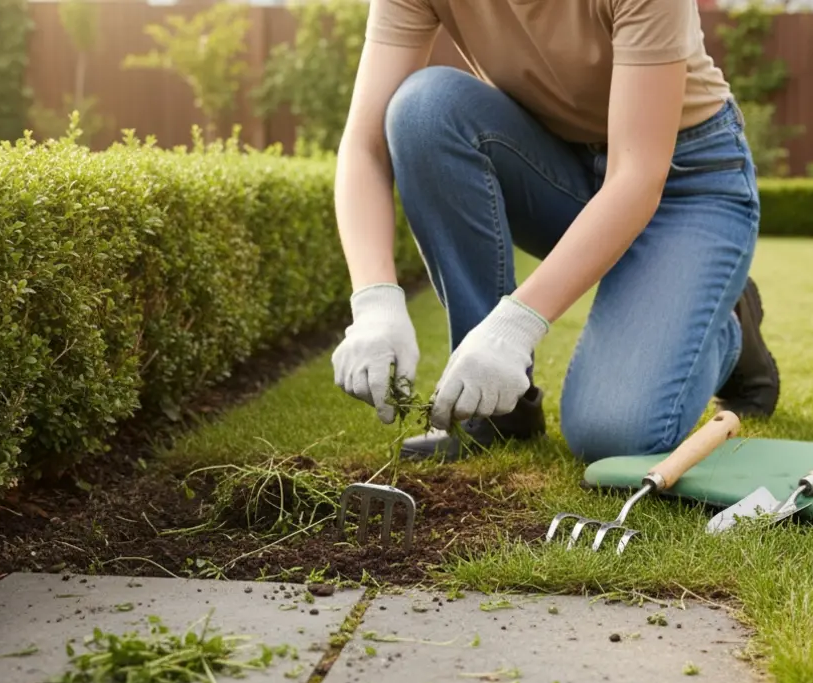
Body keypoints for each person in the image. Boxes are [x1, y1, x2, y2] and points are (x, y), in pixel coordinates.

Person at [330, 0, 780, 463]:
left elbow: (638, 176)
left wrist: (514, 327)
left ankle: (725, 325)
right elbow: (365, 145)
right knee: (423, 109)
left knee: (611, 436)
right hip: (557, 165)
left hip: (684, 183)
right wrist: (374, 302)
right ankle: (498, 412)